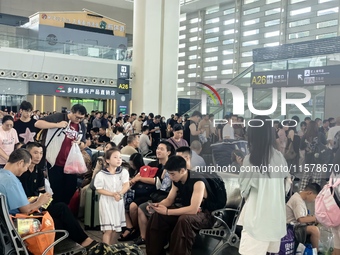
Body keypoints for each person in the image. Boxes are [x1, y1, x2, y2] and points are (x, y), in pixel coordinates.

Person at [18, 142, 97, 249]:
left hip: (38, 206)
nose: (38, 156)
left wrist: (45, 200)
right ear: (27, 153)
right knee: (61, 221)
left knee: (62, 207)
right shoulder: (20, 172)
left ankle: (84, 240)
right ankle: (82, 241)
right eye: (35, 153)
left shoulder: (39, 171)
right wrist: (38, 201)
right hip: (26, 210)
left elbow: (41, 192)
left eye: (41, 153)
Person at [238, 116, 289, 255]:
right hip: (275, 220)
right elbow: (286, 186)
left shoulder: (252, 159)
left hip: (257, 220)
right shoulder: (279, 157)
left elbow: (244, 189)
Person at [145, 156, 214, 255]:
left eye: (173, 174)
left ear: (182, 171)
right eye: (169, 174)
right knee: (158, 216)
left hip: (206, 214)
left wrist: (167, 212)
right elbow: (169, 200)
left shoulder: (198, 182)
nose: (171, 177)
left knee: (184, 220)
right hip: (186, 209)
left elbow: (193, 210)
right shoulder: (176, 181)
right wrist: (157, 205)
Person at [34, 104, 87, 204]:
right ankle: (56, 214)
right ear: (71, 112)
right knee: (55, 191)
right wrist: (57, 125)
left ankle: (64, 209)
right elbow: (38, 123)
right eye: (77, 117)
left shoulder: (81, 126)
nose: (79, 120)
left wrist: (79, 144)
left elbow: (83, 142)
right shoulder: (59, 117)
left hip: (71, 164)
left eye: (81, 118)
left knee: (70, 189)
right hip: (55, 162)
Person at [94, 148, 129, 245]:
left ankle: (111, 249)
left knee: (116, 230)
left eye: (120, 157)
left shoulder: (123, 172)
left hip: (118, 202)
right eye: (115, 157)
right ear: (107, 160)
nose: (119, 159)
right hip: (106, 202)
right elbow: (99, 189)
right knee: (108, 229)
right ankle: (105, 250)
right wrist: (113, 194)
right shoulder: (101, 174)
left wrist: (120, 193)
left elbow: (126, 185)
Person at [286, 183, 321, 250]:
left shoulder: (300, 199)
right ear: (310, 193)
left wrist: (312, 218)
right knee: (314, 230)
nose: (314, 200)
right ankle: (316, 252)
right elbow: (301, 219)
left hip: (296, 226)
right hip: (291, 228)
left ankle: (311, 249)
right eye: (315, 197)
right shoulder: (297, 200)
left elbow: (303, 216)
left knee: (315, 226)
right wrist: (317, 218)